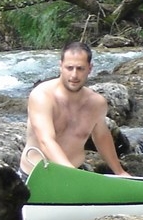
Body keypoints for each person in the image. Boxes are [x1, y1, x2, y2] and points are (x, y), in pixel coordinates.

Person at [18, 42, 130, 180]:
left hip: (73, 173)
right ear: (60, 66)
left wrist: (119, 172)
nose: (74, 75)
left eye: (80, 68)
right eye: (69, 68)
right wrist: (72, 175)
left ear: (90, 68)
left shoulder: (96, 103)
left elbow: (101, 137)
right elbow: (46, 140)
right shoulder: (42, 96)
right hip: (37, 176)